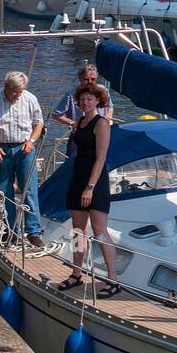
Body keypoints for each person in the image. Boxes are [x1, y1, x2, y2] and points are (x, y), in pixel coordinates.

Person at [56, 83, 120, 298]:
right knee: (77, 230)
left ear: (98, 101)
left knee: (100, 230)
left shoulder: (101, 123)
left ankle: (113, 279)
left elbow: (101, 158)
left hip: (95, 182)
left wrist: (90, 188)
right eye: (82, 99)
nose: (85, 103)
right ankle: (76, 273)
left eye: (89, 99)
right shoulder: (79, 122)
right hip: (77, 177)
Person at [0, 69, 44, 246]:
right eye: (14, 91)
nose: (17, 95)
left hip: (25, 148)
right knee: (5, 191)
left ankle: (34, 232)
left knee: (29, 189)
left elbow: (39, 123)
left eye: (20, 91)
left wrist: (31, 141)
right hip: (2, 149)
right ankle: (12, 230)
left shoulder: (30, 99)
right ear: (6, 87)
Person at [53, 64, 114, 133]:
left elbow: (110, 107)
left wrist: (107, 117)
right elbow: (56, 115)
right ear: (80, 78)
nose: (90, 82)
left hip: (101, 129)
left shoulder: (103, 90)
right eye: (86, 79)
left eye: (93, 79)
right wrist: (74, 123)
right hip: (80, 131)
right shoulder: (71, 94)